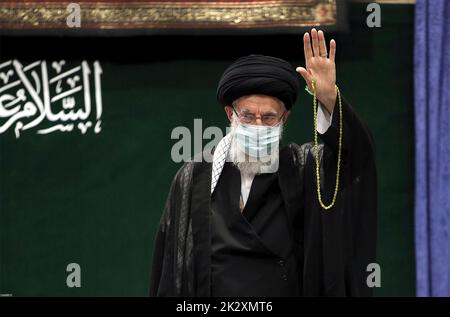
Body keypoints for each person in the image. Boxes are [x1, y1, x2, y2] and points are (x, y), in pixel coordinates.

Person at [150, 28, 377, 297]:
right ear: (230, 114)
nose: (257, 125)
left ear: (284, 119)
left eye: (268, 118)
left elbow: (355, 157)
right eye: (248, 116)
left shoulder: (303, 168)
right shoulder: (194, 178)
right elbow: (171, 270)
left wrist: (328, 99)